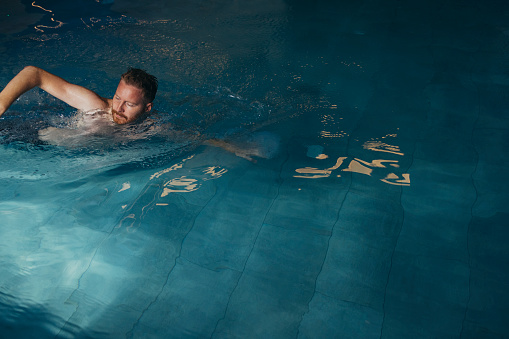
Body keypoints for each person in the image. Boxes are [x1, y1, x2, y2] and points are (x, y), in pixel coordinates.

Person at [0, 66, 157, 124]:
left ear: (147, 108)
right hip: (34, 137)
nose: (119, 108)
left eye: (129, 104)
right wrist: (1, 103)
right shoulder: (95, 106)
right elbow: (34, 74)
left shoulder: (152, 127)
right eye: (117, 98)